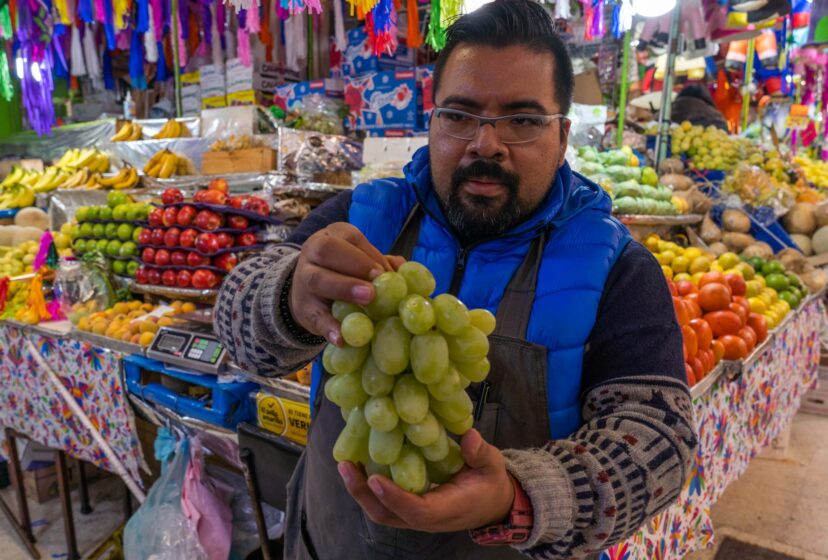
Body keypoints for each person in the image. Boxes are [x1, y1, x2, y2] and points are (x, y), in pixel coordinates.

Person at [215, 2, 697, 558]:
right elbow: (235, 322)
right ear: (433, 119)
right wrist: (285, 298)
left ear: (563, 136)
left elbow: (661, 440)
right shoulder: (359, 218)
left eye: (521, 120)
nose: (485, 144)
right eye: (460, 115)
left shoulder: (617, 268)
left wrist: (523, 494)